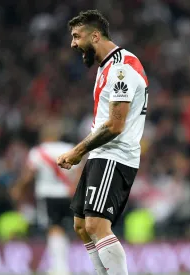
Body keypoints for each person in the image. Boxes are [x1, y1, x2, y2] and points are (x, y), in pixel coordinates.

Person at [57, 10, 148, 275]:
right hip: (102, 155)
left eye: (77, 36)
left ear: (95, 35)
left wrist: (77, 151)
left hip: (115, 156)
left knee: (97, 225)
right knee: (81, 225)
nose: (73, 43)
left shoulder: (121, 68)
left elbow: (115, 124)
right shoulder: (106, 67)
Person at [12, 124, 80, 275]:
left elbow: (29, 175)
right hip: (68, 195)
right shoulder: (69, 148)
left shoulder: (38, 152)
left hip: (48, 195)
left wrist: (18, 188)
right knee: (67, 230)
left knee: (54, 229)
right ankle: (63, 267)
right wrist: (74, 187)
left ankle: (59, 268)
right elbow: (79, 171)